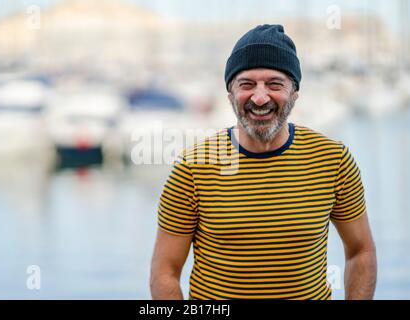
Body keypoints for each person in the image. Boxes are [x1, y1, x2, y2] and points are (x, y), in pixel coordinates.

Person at [150, 24, 377, 300]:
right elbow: (165, 272)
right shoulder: (192, 168)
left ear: (294, 93)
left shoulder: (334, 160)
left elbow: (360, 252)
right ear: (230, 94)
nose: (259, 97)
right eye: (246, 84)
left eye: (274, 84)